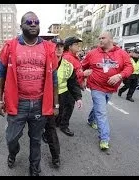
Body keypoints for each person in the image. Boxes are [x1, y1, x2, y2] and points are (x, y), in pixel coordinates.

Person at [0, 11, 59, 176]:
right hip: (18, 103)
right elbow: (0, 75)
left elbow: (54, 79)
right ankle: (13, 152)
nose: (33, 24)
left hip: (39, 103)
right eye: (29, 22)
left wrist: (56, 103)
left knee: (36, 139)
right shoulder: (10, 46)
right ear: (21, 25)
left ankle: (35, 168)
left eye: (36, 22)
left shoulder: (48, 48)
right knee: (11, 138)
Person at [82, 31, 133, 150]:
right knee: (101, 112)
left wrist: (119, 76)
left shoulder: (121, 53)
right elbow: (82, 66)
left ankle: (90, 120)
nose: (100, 40)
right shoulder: (92, 53)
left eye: (103, 38)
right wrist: (83, 77)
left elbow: (129, 67)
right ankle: (104, 138)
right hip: (96, 87)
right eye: (99, 38)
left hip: (110, 89)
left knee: (100, 107)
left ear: (110, 39)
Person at [42, 37, 83, 168]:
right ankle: (54, 155)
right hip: (44, 98)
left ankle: (54, 153)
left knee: (52, 125)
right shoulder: (43, 63)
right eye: (55, 46)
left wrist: (78, 98)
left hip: (61, 98)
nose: (58, 48)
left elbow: (73, 83)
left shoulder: (68, 65)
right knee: (48, 126)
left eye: (61, 46)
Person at [56, 36, 87, 136]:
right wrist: (83, 75)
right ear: (69, 46)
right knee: (67, 107)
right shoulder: (67, 58)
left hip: (71, 88)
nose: (78, 46)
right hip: (66, 90)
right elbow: (68, 75)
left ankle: (59, 123)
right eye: (76, 44)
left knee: (64, 107)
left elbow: (74, 74)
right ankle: (63, 125)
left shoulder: (74, 57)